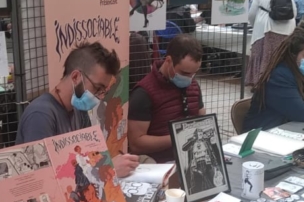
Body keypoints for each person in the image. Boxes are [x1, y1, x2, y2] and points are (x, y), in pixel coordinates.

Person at [15, 41, 139, 177]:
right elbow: (43, 179)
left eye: (104, 91)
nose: (100, 96)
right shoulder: (40, 115)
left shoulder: (79, 110)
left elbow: (91, 159)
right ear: (75, 77)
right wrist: (110, 169)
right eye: (97, 88)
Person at [128, 35, 205, 163]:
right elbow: (136, 143)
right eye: (185, 73)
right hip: (159, 164)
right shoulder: (143, 93)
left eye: (194, 73)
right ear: (168, 61)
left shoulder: (193, 86)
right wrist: (178, 137)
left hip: (192, 158)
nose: (190, 78)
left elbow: (201, 119)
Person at [246, 0, 297, 86]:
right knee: (282, 57)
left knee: (262, 55)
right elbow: (294, 12)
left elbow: (251, 14)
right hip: (287, 30)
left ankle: (260, 81)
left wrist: (255, 26)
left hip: (266, 30)